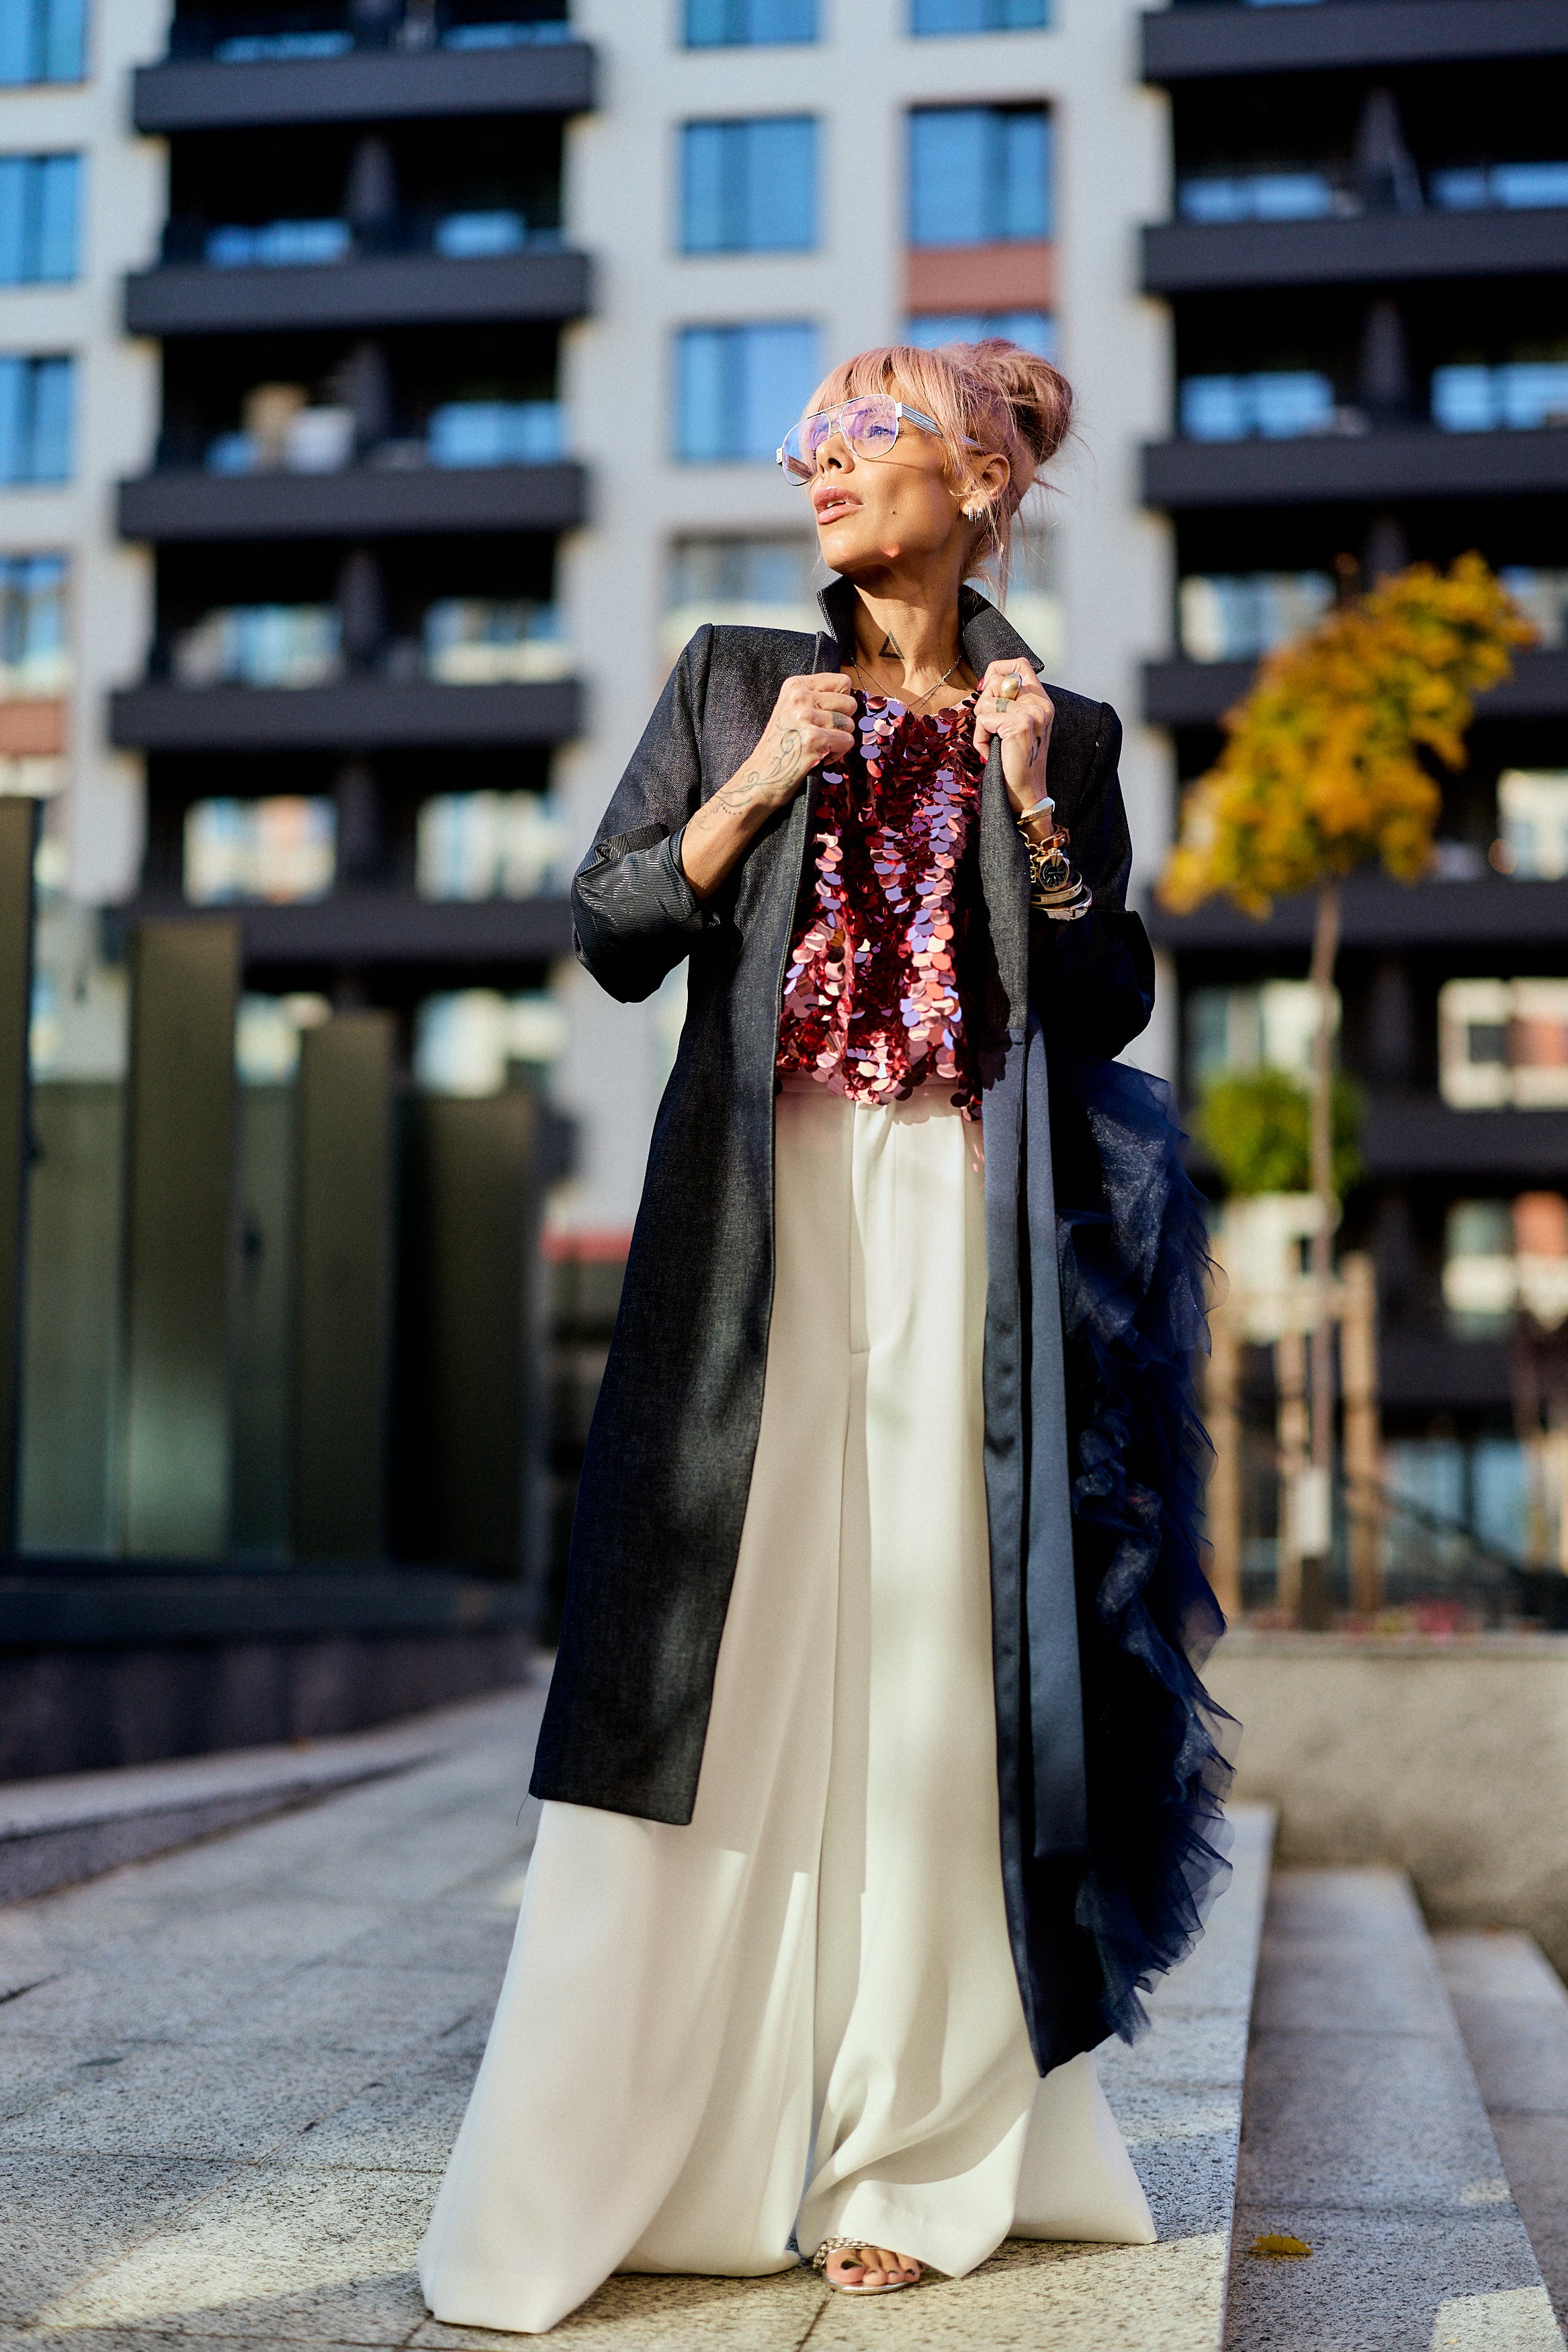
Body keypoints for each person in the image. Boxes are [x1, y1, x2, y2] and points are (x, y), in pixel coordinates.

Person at [417, 339, 1232, 2335]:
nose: (820, 468)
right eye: (814, 439)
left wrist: (1031, 803)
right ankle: (629, 2158)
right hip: (754, 1231)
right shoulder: (723, 680)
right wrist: (757, 789)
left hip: (956, 1225)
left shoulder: (1071, 723)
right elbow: (612, 926)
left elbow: (1104, 1002)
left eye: (866, 437)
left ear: (971, 485)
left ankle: (912, 2153)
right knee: (718, 1650)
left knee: (940, 1664)